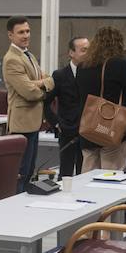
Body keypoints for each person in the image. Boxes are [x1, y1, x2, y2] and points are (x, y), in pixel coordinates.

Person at [75, 25, 126, 172]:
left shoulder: (82, 66)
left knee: (87, 176)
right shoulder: (117, 64)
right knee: (111, 176)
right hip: (111, 128)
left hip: (88, 128)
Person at [1, 15, 54, 191]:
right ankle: (15, 209)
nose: (26, 35)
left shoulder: (28, 55)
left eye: (28, 31)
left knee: (29, 170)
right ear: (11, 35)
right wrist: (43, 89)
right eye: (21, 32)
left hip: (33, 122)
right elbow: (29, 92)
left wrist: (39, 83)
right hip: (21, 124)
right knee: (21, 173)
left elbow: (50, 79)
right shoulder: (12, 59)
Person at [45, 35, 88, 178]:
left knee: (85, 172)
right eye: (83, 50)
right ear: (71, 53)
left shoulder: (92, 73)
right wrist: (56, 123)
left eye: (89, 50)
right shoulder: (59, 75)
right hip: (67, 130)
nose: (87, 53)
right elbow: (46, 102)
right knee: (66, 172)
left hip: (87, 131)